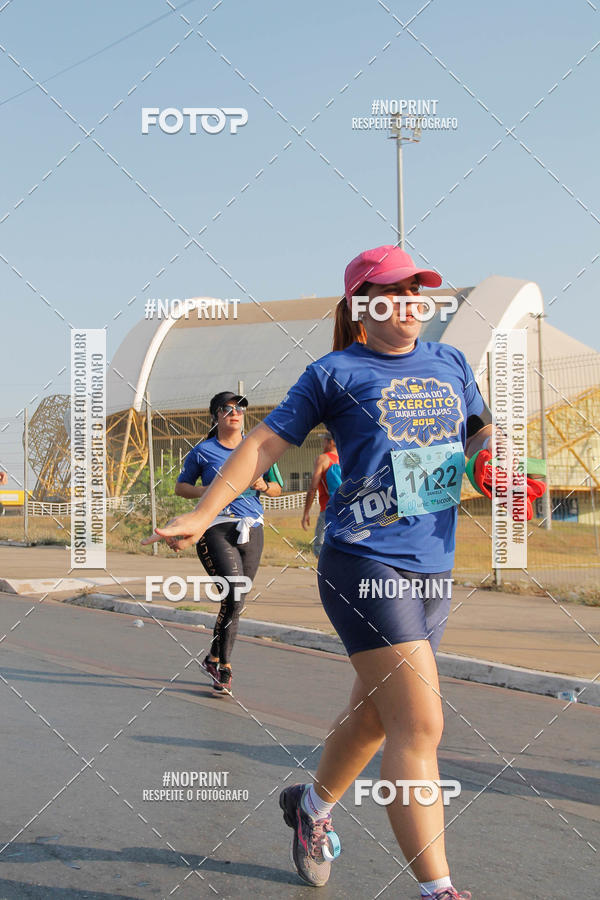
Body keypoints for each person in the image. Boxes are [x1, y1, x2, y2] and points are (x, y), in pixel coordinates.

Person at [143, 245, 497, 899]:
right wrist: (203, 514)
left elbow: (478, 433)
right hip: (363, 561)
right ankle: (438, 889)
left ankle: (310, 805)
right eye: (397, 290)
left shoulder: (451, 362)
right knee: (420, 725)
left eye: (419, 290)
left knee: (375, 717)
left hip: (432, 565)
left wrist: (490, 460)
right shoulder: (334, 372)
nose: (413, 301)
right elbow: (263, 444)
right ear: (364, 304)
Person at [173, 391, 282, 693]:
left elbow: (277, 488)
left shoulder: (259, 447)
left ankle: (213, 656)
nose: (234, 413)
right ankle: (225, 666)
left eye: (240, 408)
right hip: (216, 527)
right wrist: (211, 492)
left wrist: (264, 485)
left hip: (252, 528)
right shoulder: (203, 451)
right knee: (233, 592)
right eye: (227, 409)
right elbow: (181, 487)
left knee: (237, 599)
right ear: (215, 416)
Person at [301, 432, 339, 555]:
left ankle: (326, 573)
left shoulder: (323, 459)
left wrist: (306, 512)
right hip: (346, 509)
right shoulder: (345, 458)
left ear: (331, 442)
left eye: (325, 440)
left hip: (328, 509)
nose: (323, 443)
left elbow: (313, 488)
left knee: (320, 547)